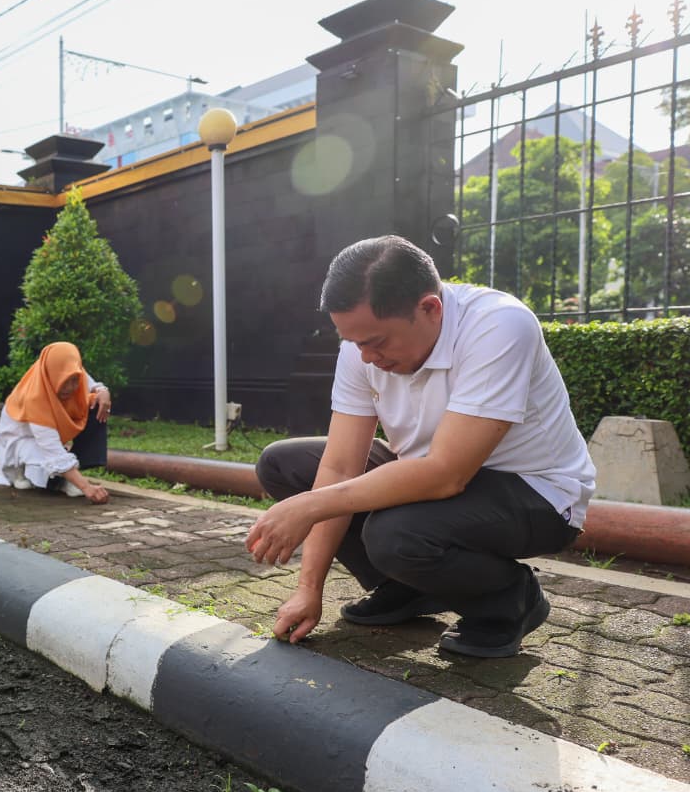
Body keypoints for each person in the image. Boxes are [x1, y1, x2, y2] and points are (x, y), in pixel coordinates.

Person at [246, 235, 595, 659]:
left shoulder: (499, 325)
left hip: (536, 494)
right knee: (286, 465)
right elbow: (338, 468)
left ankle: (509, 600)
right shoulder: (360, 350)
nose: (367, 357)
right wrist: (308, 589)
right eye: (355, 342)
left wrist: (309, 507)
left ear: (430, 309)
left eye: (376, 341)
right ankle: (409, 588)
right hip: (438, 479)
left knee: (396, 534)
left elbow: (447, 474)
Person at [0, 341, 112, 505]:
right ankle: (40, 476)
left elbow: (91, 384)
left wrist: (103, 392)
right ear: (52, 375)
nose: (70, 388)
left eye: (74, 380)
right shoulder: (35, 399)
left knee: (96, 404)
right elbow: (52, 451)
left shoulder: (73, 372)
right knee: (46, 466)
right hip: (23, 440)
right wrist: (86, 487)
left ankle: (73, 474)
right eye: (64, 381)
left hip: (49, 435)